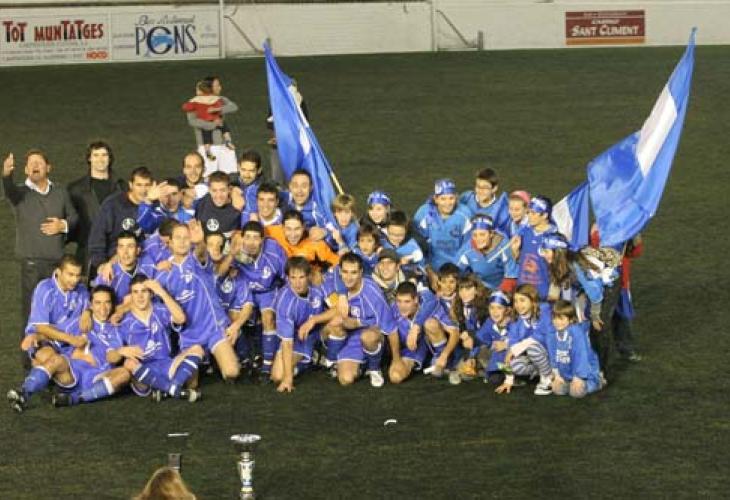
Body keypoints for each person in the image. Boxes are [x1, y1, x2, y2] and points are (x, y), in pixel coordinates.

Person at [1, 150, 79, 368]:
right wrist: (6, 174)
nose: (35, 166)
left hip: (57, 267)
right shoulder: (20, 193)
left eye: (39, 162)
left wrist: (62, 225)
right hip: (33, 267)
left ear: (48, 167)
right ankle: (30, 365)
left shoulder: (60, 192)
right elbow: (8, 189)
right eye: (30, 163)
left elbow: (74, 216)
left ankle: (54, 361)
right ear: (26, 170)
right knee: (32, 316)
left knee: (57, 314)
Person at [155, 222, 240, 383]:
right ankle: (178, 363)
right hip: (190, 336)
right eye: (178, 238)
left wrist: (200, 241)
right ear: (170, 242)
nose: (182, 241)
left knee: (232, 372)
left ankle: (212, 360)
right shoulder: (162, 273)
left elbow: (201, 252)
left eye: (186, 237)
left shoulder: (196, 260)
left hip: (213, 328)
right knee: (190, 384)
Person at [7, 255, 89, 412]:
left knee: (55, 368)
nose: (75, 280)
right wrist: (70, 339)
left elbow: (92, 310)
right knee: (51, 359)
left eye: (78, 275)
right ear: (58, 272)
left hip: (68, 344)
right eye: (70, 275)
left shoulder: (82, 291)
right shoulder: (45, 289)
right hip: (44, 339)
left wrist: (88, 312)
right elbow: (42, 328)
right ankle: (25, 391)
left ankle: (44, 380)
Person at [119, 275, 201, 402]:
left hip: (167, 364)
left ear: (151, 293)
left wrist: (161, 292)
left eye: (144, 291)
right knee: (128, 363)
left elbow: (181, 318)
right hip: (143, 370)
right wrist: (120, 351)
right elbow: (112, 352)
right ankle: (174, 388)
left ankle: (168, 390)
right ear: (131, 296)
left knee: (197, 349)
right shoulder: (124, 321)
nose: (140, 296)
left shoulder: (160, 310)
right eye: (135, 292)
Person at [51, 285, 134, 407]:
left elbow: (113, 358)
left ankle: (75, 398)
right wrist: (35, 337)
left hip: (98, 376)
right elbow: (51, 332)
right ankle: (24, 392)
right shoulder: (80, 321)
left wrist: (120, 352)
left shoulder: (117, 328)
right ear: (91, 305)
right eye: (98, 303)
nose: (103, 308)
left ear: (112, 305)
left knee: (124, 374)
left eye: (107, 302)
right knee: (49, 357)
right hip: (72, 372)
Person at [324, 252, 398, 388]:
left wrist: (396, 359)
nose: (348, 277)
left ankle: (374, 368)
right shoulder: (336, 280)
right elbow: (333, 271)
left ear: (361, 272)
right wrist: (342, 295)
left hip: (371, 334)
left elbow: (390, 327)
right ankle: (342, 362)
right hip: (349, 335)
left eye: (353, 273)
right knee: (345, 379)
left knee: (368, 336)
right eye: (345, 272)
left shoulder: (371, 292)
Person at [270, 257, 337, 392]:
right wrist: (288, 379)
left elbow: (339, 308)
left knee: (338, 322)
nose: (297, 283)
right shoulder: (284, 301)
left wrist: (314, 320)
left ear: (309, 276)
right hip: (299, 337)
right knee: (278, 376)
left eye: (301, 277)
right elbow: (287, 343)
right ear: (287, 278)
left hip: (320, 329)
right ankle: (312, 358)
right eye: (293, 278)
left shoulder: (319, 284)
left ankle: (333, 360)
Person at [233, 221, 287, 378]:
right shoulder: (235, 250)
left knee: (268, 317)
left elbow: (287, 277)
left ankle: (267, 365)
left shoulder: (273, 252)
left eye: (256, 238)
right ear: (242, 238)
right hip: (245, 291)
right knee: (234, 318)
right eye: (248, 237)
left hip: (267, 291)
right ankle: (245, 359)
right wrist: (230, 257)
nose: (251, 243)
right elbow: (221, 271)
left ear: (263, 240)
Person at [67, 141, 126, 272]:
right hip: (88, 251)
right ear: (89, 158)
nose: (100, 159)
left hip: (119, 251)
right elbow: (71, 220)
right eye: (96, 155)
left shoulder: (122, 187)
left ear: (110, 158)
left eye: (104, 155)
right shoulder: (75, 189)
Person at [88, 166, 153, 273]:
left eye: (147, 185)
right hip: (116, 263)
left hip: (147, 263)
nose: (143, 190)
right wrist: (101, 264)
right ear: (130, 185)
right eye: (139, 185)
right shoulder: (113, 205)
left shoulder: (156, 207)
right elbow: (97, 238)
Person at [495, 284, 553, 396]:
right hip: (535, 357)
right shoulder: (515, 319)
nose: (518, 305)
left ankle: (547, 378)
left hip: (551, 355)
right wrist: (508, 380)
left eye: (522, 300)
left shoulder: (544, 311)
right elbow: (512, 343)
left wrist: (516, 348)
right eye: (516, 301)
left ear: (532, 300)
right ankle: (541, 371)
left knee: (532, 348)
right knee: (513, 365)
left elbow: (541, 336)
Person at [414, 178, 471, 278]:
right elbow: (416, 244)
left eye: (451, 198)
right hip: (430, 270)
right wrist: (428, 270)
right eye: (443, 199)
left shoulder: (465, 215)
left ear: (456, 197)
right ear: (436, 199)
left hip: (457, 270)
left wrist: (455, 273)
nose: (448, 203)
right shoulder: (424, 213)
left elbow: (468, 246)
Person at [547, 300, 602, 397]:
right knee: (557, 390)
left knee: (577, 392)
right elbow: (552, 354)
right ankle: (569, 382)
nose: (557, 322)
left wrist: (578, 377)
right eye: (554, 318)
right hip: (567, 374)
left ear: (570, 319)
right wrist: (557, 375)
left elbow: (580, 355)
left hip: (586, 373)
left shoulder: (576, 332)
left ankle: (597, 381)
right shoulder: (552, 333)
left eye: (561, 319)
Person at [186, 76, 238, 177]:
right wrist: (213, 124)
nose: (220, 88)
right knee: (207, 176)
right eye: (216, 85)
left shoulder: (220, 100)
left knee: (230, 176)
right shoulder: (194, 103)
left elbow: (233, 107)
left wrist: (217, 109)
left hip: (224, 146)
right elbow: (192, 121)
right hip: (207, 146)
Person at [510, 195, 557, 301]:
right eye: (528, 212)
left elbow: (559, 269)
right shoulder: (525, 232)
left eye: (533, 213)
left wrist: (553, 293)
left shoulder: (554, 238)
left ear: (544, 215)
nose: (529, 216)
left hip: (543, 295)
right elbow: (520, 260)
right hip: (522, 292)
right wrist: (515, 251)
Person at [464, 290, 513, 385]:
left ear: (507, 310)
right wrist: (471, 356)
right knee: (473, 341)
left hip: (514, 356)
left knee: (497, 377)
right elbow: (480, 338)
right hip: (497, 356)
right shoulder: (489, 322)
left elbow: (524, 340)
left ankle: (512, 375)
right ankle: (479, 367)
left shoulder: (514, 323)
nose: (495, 312)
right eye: (492, 308)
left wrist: (507, 345)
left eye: (499, 308)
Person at [456, 214, 517, 291]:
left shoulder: (504, 246)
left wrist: (499, 294)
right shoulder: (467, 250)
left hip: (501, 289)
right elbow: (456, 274)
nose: (478, 239)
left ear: (491, 234)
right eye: (474, 235)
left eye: (482, 234)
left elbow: (511, 276)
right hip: (479, 289)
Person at [267, 210, 340, 273]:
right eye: (288, 229)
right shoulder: (274, 232)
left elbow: (339, 263)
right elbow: (260, 230)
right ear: (282, 227)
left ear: (303, 227)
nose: (293, 235)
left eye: (297, 229)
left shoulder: (316, 245)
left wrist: (324, 274)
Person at [93, 232, 156, 304]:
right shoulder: (106, 276)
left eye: (130, 246)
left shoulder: (148, 263)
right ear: (117, 250)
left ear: (138, 250)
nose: (125, 252)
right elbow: (100, 308)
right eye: (121, 247)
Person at [282, 169, 328, 240]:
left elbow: (334, 229)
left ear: (311, 187)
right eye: (295, 186)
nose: (299, 191)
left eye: (304, 186)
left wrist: (324, 232)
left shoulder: (318, 210)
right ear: (290, 187)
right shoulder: (283, 198)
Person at [195, 171, 241, 238]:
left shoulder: (238, 206)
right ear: (209, 190)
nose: (219, 195)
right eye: (214, 190)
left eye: (223, 190)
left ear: (229, 189)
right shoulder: (200, 204)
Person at [381, 210, 424, 277]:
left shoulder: (411, 244)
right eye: (391, 234)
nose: (395, 238)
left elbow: (419, 256)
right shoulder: (381, 240)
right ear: (387, 229)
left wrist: (409, 259)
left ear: (406, 231)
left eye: (400, 235)